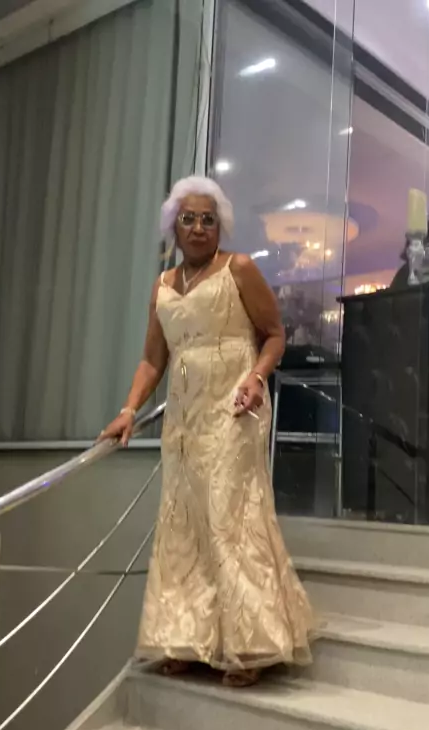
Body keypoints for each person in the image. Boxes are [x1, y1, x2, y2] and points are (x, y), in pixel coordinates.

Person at [101, 176, 315, 687]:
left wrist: (257, 377)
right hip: (184, 419)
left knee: (228, 517)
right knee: (186, 524)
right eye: (189, 219)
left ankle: (253, 644)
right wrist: (129, 409)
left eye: (208, 219)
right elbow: (152, 359)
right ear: (173, 226)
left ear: (221, 226)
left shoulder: (238, 269)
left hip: (236, 407)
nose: (198, 227)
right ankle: (188, 639)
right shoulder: (162, 285)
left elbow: (275, 335)